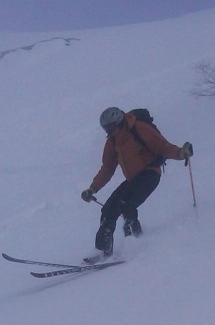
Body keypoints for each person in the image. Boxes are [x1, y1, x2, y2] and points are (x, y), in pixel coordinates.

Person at [81, 107, 192, 263]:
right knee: (108, 209)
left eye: (111, 127)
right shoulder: (112, 141)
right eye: (106, 128)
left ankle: (136, 242)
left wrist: (181, 153)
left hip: (150, 173)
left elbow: (163, 146)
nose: (109, 131)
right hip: (133, 179)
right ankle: (103, 250)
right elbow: (107, 167)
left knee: (126, 204)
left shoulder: (139, 129)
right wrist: (93, 188)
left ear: (119, 122)